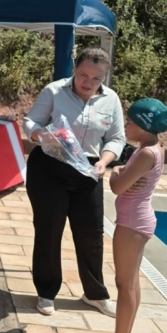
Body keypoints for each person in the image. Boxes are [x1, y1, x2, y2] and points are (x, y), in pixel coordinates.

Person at [23, 47, 126, 317]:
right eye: (83, 75)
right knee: (49, 229)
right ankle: (46, 292)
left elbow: (117, 138)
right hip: (50, 167)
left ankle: (95, 294)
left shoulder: (111, 99)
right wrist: (40, 135)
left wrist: (104, 161)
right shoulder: (55, 91)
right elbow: (31, 122)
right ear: (75, 69)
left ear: (105, 77)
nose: (88, 82)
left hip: (89, 170)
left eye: (96, 78)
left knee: (91, 233)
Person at [85, 98, 167, 333]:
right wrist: (123, 170)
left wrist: (115, 172)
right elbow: (129, 174)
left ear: (144, 126)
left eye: (130, 122)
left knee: (125, 285)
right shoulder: (153, 147)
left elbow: (117, 186)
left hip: (133, 224)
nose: (126, 126)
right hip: (136, 221)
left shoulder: (146, 153)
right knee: (130, 283)